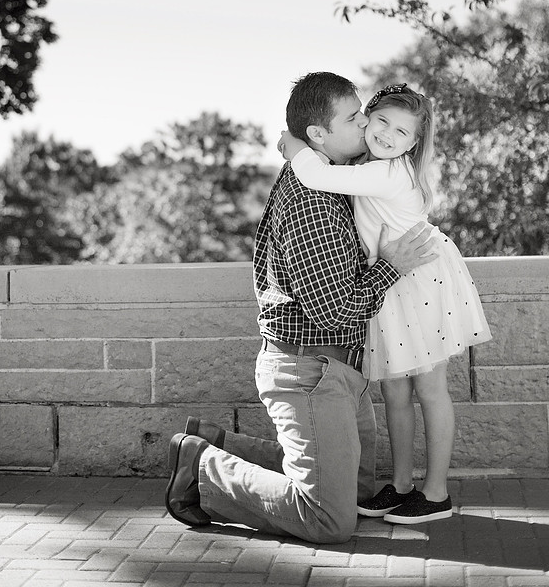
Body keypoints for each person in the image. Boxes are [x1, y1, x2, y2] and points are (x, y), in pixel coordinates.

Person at [165, 71, 435, 544]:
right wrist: (393, 266)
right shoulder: (314, 202)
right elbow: (334, 311)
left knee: (361, 491)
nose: (367, 122)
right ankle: (202, 469)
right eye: (354, 117)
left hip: (342, 369)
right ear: (319, 135)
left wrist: (295, 146)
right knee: (330, 519)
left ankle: (215, 443)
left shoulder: (326, 173)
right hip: (309, 369)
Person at [278, 82, 492, 524]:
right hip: (390, 285)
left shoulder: (390, 171)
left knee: (430, 389)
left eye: (402, 132)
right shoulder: (367, 164)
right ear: (368, 120)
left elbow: (315, 174)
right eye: (380, 122)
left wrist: (295, 142)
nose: (388, 135)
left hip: (419, 282)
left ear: (415, 144)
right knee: (395, 391)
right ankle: (401, 486)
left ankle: (436, 493)